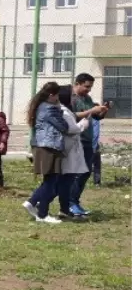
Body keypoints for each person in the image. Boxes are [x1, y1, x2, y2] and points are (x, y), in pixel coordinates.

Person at [23, 82, 69, 224]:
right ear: (51, 95)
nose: (58, 99)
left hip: (41, 146)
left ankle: (41, 212)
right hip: (49, 146)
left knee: (49, 180)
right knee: (51, 181)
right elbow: (64, 127)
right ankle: (34, 204)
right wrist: (61, 111)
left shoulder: (40, 107)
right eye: (57, 96)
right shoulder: (50, 109)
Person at [68, 73, 108, 216]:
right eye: (86, 87)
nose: (88, 90)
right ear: (77, 83)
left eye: (90, 87)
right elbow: (71, 116)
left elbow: (93, 116)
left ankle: (74, 201)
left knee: (85, 172)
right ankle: (69, 203)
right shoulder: (70, 98)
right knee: (75, 173)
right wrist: (91, 110)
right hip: (76, 139)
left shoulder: (87, 98)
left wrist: (101, 112)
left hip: (87, 140)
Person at [56, 85, 91, 218]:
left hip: (72, 150)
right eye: (71, 95)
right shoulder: (64, 112)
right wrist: (83, 124)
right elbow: (71, 130)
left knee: (65, 180)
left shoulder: (66, 110)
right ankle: (37, 201)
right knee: (61, 181)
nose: (73, 98)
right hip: (68, 150)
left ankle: (65, 209)